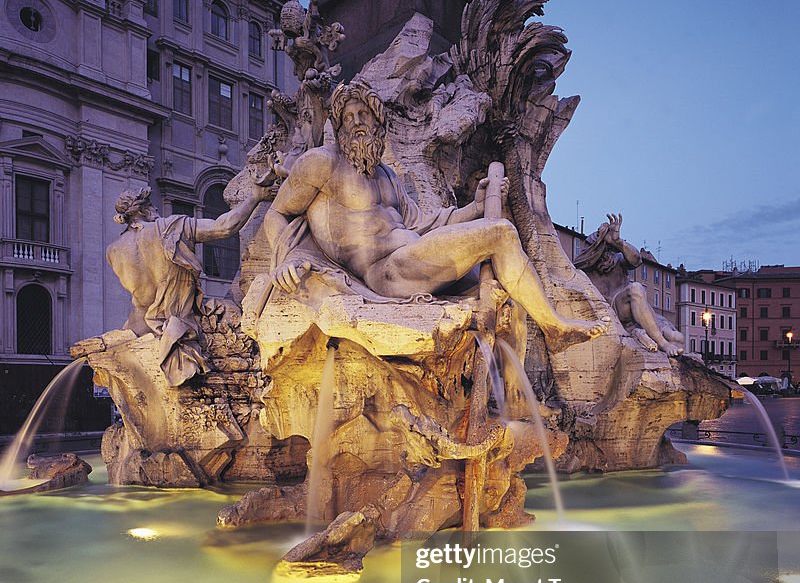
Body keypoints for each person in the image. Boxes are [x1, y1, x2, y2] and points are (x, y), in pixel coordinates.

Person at [260, 79, 606, 352]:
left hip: (415, 259)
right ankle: (554, 327)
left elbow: (425, 224)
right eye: (347, 118)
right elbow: (277, 213)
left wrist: (474, 207)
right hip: (387, 274)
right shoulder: (322, 163)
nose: (356, 123)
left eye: (363, 114)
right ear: (337, 126)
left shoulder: (386, 175)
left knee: (505, 293)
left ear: (378, 120)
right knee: (499, 233)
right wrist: (285, 258)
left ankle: (531, 362)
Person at [107, 181, 272, 385]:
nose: (156, 208)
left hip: (139, 327)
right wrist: (255, 196)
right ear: (142, 209)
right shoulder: (171, 228)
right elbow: (224, 227)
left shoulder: (113, 250)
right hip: (180, 324)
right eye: (151, 204)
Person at [575, 213, 684, 357]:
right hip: (612, 308)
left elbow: (637, 260)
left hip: (634, 311)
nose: (607, 254)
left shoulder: (618, 259)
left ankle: (657, 337)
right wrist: (601, 239)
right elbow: (580, 262)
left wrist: (618, 242)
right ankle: (663, 344)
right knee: (636, 288)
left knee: (678, 338)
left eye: (609, 249)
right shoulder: (586, 266)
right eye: (604, 248)